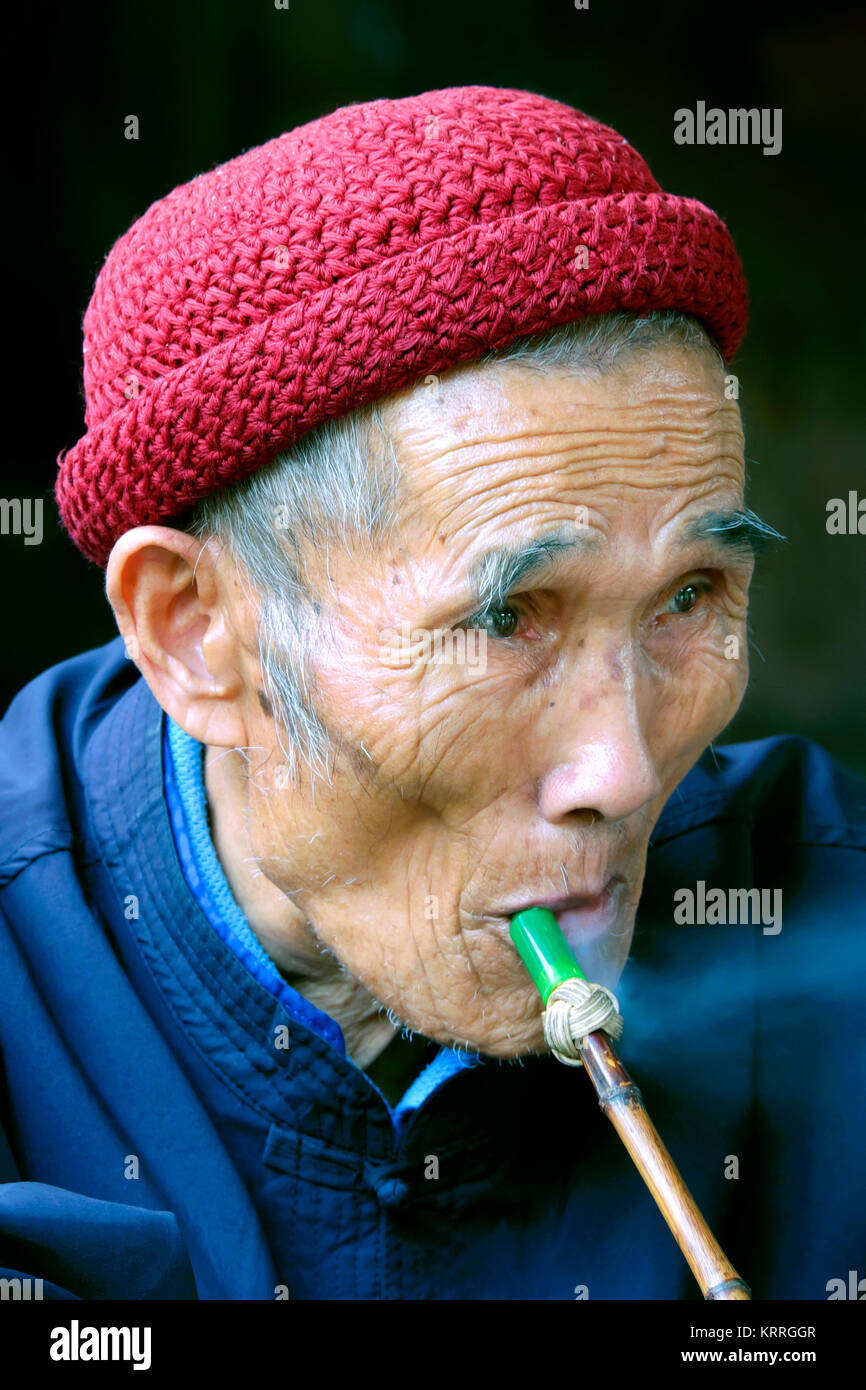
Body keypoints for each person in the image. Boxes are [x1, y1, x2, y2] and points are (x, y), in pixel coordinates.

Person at [1, 85, 863, 1301]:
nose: (620, 773)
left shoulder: (827, 903)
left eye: (687, 598)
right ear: (195, 634)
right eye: (507, 618)